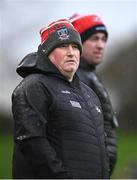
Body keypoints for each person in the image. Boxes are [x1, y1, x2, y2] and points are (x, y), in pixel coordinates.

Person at [11, 19, 110, 179]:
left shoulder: (89, 93)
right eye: (63, 46)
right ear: (47, 52)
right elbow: (32, 143)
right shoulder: (34, 86)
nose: (71, 52)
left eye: (75, 47)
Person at [70, 14, 119, 176]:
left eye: (104, 39)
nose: (101, 45)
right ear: (77, 42)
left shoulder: (90, 74)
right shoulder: (75, 77)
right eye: (94, 38)